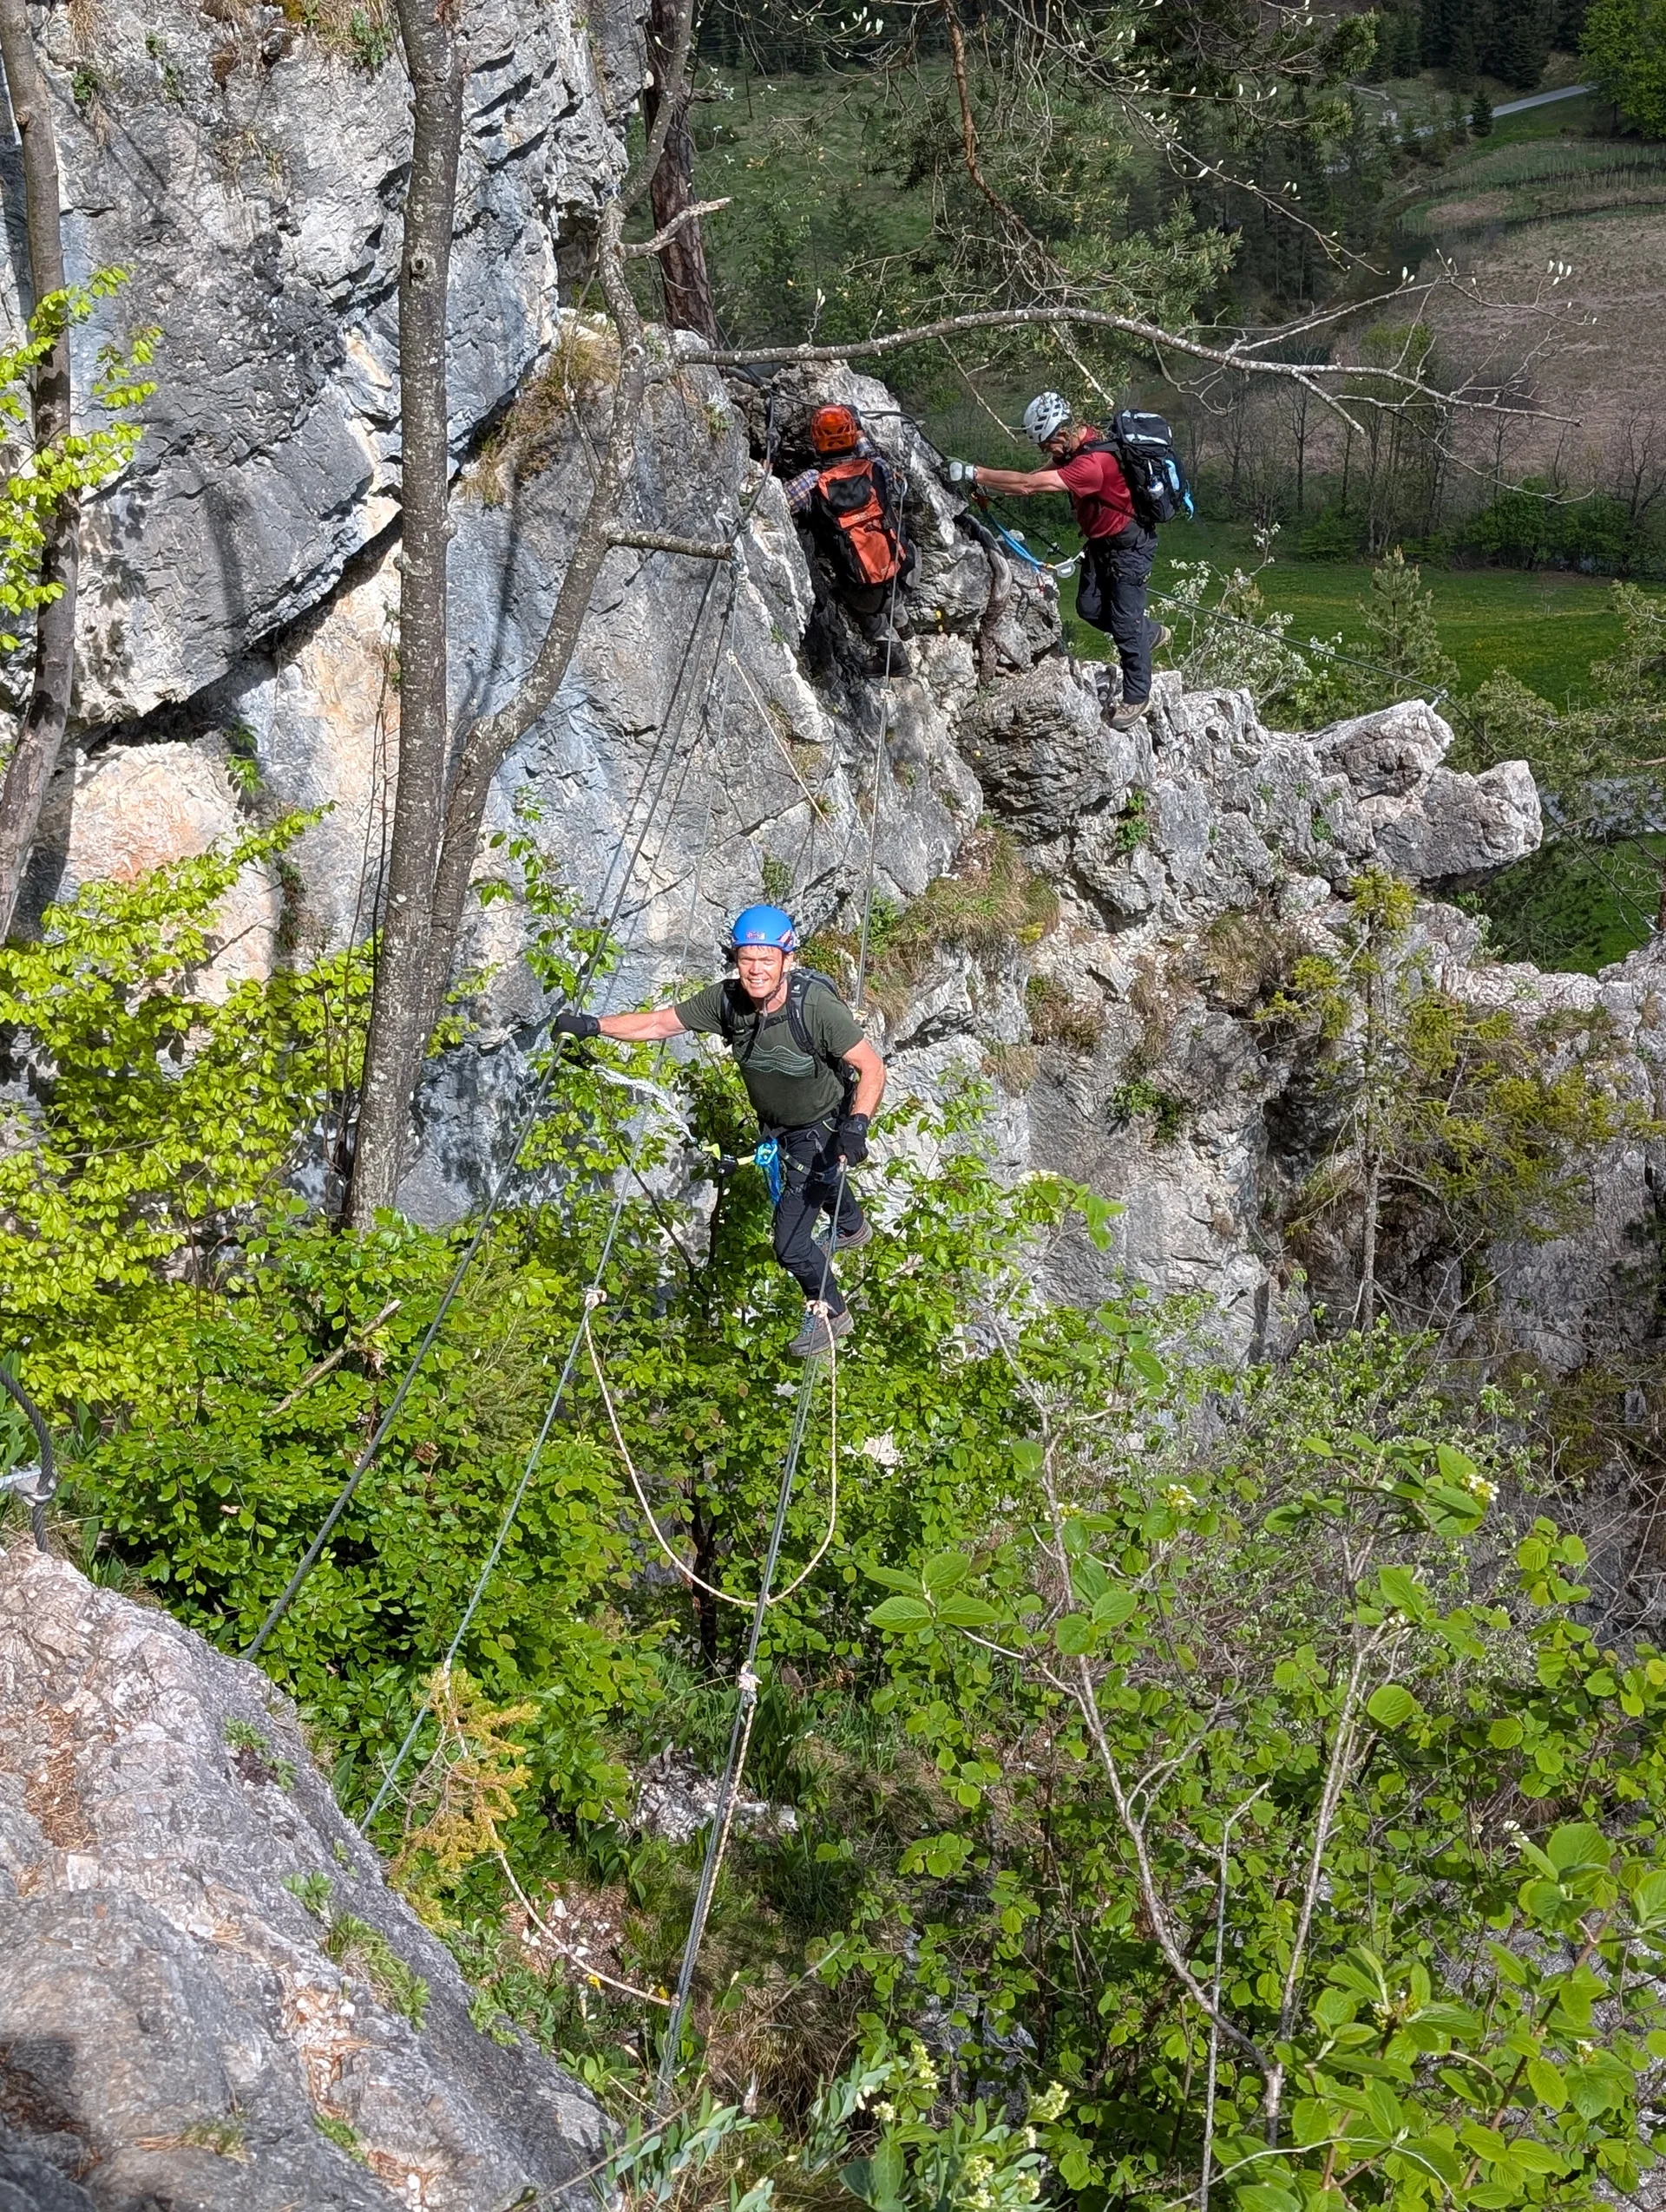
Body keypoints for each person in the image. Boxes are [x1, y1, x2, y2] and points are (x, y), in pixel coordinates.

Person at [553, 904, 886, 1359]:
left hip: (823, 1128)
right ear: (736, 960)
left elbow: (871, 1067)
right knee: (818, 1182)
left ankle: (832, 1311)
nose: (756, 970)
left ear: (787, 961)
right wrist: (593, 1026)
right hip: (780, 1128)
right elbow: (659, 1023)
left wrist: (857, 1125)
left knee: (790, 1246)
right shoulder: (726, 1002)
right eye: (747, 959)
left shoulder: (816, 1008)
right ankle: (850, 1225)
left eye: (766, 959)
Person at [946, 391, 1171, 731]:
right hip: (1102, 545)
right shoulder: (1078, 447)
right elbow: (1031, 479)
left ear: (1062, 433)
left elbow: (1029, 484)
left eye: (1046, 445)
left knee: (1126, 625)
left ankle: (1138, 695)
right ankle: (1147, 633)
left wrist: (972, 472)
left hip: (1129, 549)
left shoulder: (1091, 464)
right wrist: (990, 488)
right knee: (1089, 608)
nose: (1045, 452)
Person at [780, 404, 911, 659]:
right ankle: (903, 624)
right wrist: (857, 428)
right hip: (903, 573)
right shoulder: (876, 468)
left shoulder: (812, 482)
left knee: (836, 588)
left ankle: (890, 650)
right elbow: (869, 452)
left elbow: (778, 500)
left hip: (866, 596)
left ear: (815, 442)